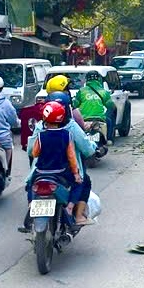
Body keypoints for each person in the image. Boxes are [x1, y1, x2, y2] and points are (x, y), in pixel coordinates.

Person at [22, 95, 97, 230]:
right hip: (62, 171)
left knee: (30, 184)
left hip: (40, 172)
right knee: (81, 183)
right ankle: (74, 211)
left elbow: (33, 153)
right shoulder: (69, 132)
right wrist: (76, 174)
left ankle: (31, 206)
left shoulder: (40, 131)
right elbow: (74, 156)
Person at [74, 71, 115, 143]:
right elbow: (110, 106)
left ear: (87, 79)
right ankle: (109, 139)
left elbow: (75, 105)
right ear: (98, 79)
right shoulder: (103, 92)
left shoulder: (81, 91)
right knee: (109, 121)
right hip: (99, 119)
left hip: (84, 119)